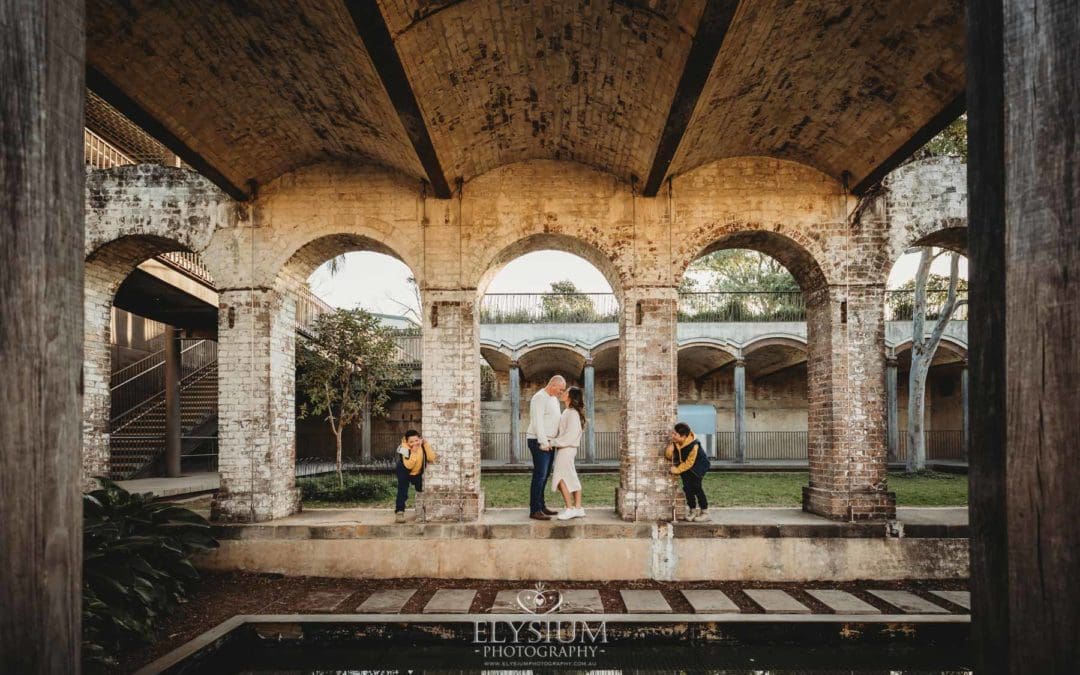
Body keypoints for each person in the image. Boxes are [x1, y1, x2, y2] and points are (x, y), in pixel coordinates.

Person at [526, 374, 566, 520]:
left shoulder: (554, 400)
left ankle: (541, 506)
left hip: (549, 443)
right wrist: (543, 442)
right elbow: (538, 422)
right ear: (553, 384)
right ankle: (534, 510)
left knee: (545, 475)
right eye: (560, 389)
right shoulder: (539, 397)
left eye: (562, 391)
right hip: (538, 441)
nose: (561, 393)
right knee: (540, 475)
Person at [550, 386, 586, 520]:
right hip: (566, 449)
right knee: (571, 477)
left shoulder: (572, 413)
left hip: (567, 449)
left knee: (560, 478)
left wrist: (551, 443)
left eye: (566, 392)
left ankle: (570, 509)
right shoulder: (568, 411)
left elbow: (570, 436)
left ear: (570, 396)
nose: (563, 393)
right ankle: (578, 508)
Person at [664, 421, 711, 522]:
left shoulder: (694, 446)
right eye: (673, 433)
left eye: (675, 434)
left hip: (698, 467)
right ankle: (692, 511)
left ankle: (705, 512)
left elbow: (689, 463)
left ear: (683, 436)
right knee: (687, 488)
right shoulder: (677, 442)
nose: (672, 435)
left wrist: (676, 470)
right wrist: (670, 448)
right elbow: (669, 456)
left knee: (697, 488)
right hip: (685, 466)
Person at [394, 429, 437, 523]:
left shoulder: (422, 445)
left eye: (416, 440)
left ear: (420, 439)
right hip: (404, 471)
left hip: (417, 472)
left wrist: (425, 444)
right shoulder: (403, 448)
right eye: (411, 442)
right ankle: (399, 513)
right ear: (406, 441)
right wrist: (413, 452)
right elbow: (408, 465)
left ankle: (420, 511)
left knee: (421, 489)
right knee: (403, 492)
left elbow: (431, 458)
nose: (414, 443)